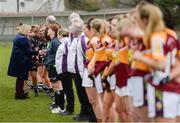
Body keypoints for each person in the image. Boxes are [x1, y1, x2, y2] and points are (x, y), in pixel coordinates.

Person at [133, 3, 180, 122]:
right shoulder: (170, 34)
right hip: (173, 87)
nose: (137, 23)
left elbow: (161, 64)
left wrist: (140, 57)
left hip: (163, 89)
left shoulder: (156, 37)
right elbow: (176, 62)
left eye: (137, 20)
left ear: (145, 20)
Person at [7, 24, 41, 99]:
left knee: (20, 78)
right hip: (22, 61)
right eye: (28, 30)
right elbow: (28, 51)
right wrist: (38, 52)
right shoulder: (23, 38)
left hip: (18, 60)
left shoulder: (18, 37)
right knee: (21, 78)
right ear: (24, 30)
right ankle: (19, 94)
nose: (29, 32)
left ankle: (20, 93)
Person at [67, 17, 91, 121]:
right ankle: (83, 112)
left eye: (71, 26)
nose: (70, 28)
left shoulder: (82, 39)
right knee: (80, 94)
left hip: (80, 72)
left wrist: (82, 73)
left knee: (83, 94)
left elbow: (87, 57)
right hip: (75, 71)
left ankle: (87, 113)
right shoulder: (76, 39)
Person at [44, 23, 65, 113]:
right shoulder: (52, 41)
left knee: (57, 86)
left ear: (53, 31)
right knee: (55, 86)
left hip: (54, 66)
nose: (47, 31)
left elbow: (59, 54)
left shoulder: (55, 42)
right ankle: (57, 105)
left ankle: (61, 107)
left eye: (48, 29)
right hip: (51, 66)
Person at [55, 28, 75, 115]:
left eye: (58, 34)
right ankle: (69, 108)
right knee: (67, 90)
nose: (57, 36)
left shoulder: (66, 43)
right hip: (63, 70)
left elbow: (70, 55)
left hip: (65, 70)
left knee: (68, 90)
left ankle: (70, 109)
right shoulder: (64, 43)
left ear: (61, 35)